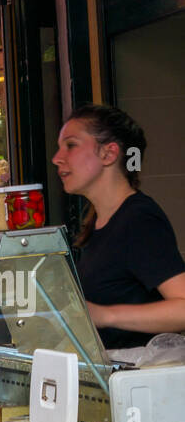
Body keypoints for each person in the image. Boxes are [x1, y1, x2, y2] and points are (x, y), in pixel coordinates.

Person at [52, 104, 185, 349]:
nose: (57, 158)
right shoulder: (98, 223)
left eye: (70, 145)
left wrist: (105, 315)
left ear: (109, 154)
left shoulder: (138, 220)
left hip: (140, 383)